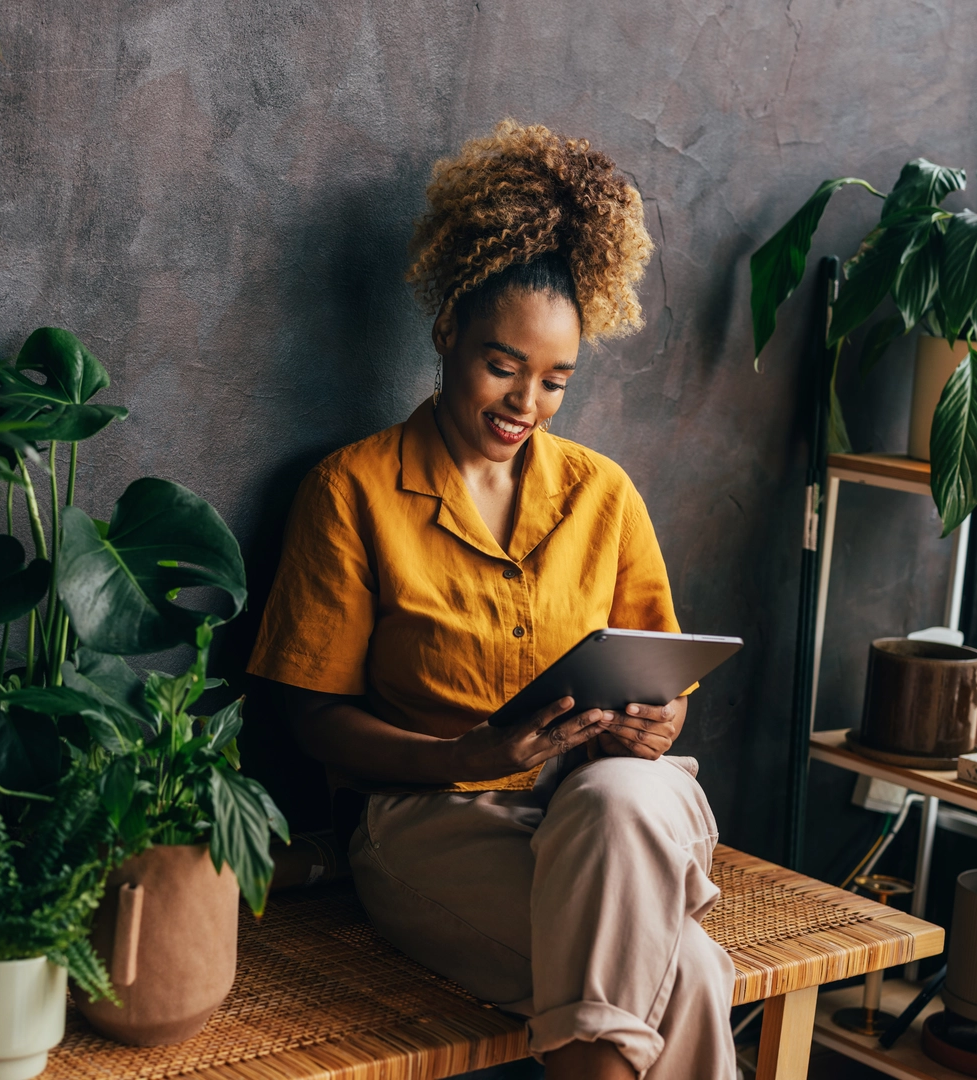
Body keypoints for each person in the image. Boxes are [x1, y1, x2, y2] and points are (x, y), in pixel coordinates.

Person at [247, 121, 736, 1080]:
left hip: (605, 808)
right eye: (503, 366)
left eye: (555, 380)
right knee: (689, 971)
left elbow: (662, 678)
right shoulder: (352, 490)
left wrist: (656, 721)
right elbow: (309, 718)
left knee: (626, 793)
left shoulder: (603, 493)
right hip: (432, 826)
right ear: (447, 336)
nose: (526, 403)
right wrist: (465, 754)